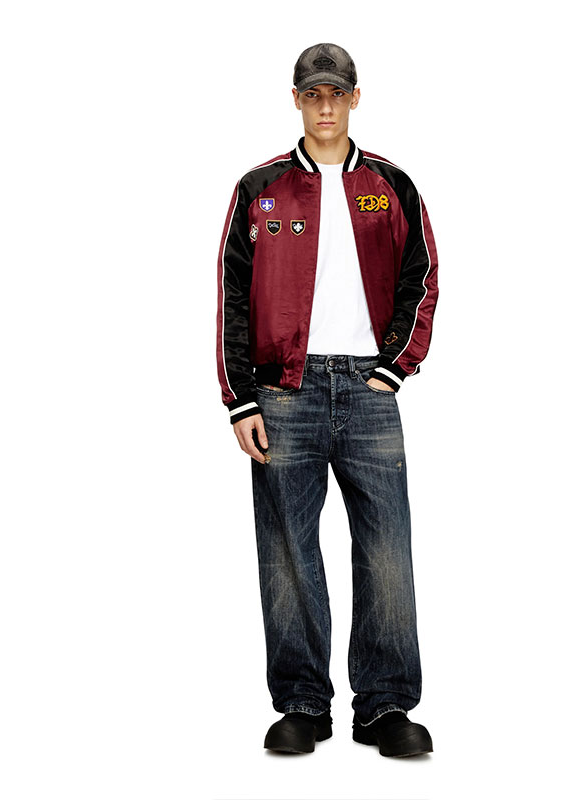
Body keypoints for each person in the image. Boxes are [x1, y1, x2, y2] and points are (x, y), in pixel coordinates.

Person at [215, 43, 439, 757]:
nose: (325, 106)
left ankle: (384, 706)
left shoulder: (390, 185)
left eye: (336, 93)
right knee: (287, 552)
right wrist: (241, 399)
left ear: (354, 98)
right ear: (296, 100)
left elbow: (422, 276)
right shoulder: (261, 188)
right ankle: (304, 705)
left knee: (386, 549)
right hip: (284, 389)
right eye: (312, 94)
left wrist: (394, 367)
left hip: (370, 390)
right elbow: (232, 293)